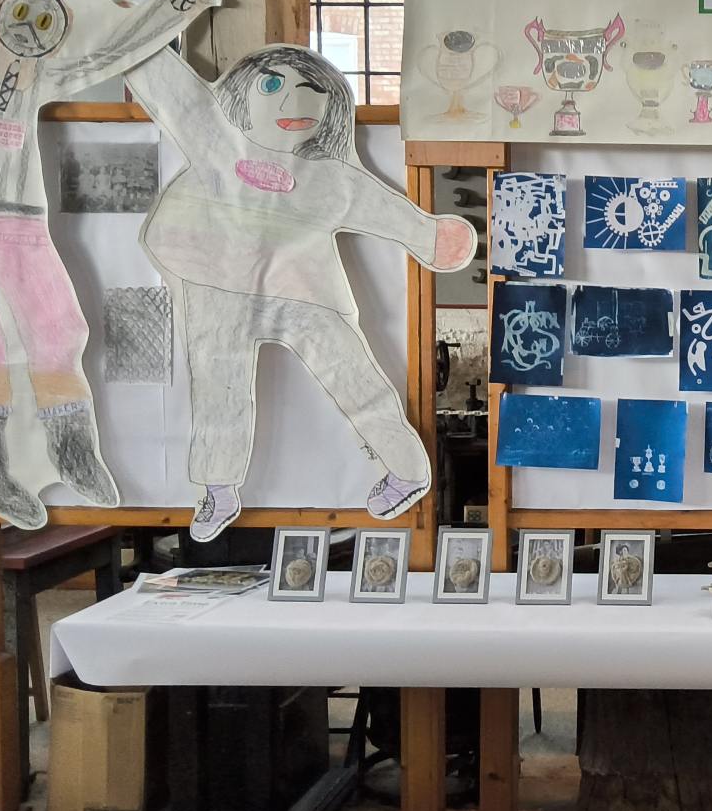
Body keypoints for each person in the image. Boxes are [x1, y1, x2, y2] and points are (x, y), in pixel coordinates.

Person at [0, 0, 223, 528]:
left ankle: (74, 454)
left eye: (44, 19)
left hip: (23, 221)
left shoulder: (43, 75)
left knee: (61, 330)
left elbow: (118, 48)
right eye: (20, 12)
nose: (28, 27)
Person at [125, 41, 475, 542]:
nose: (294, 104)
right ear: (245, 94)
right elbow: (179, 95)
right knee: (220, 389)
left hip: (305, 290)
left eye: (312, 91)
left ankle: (407, 467)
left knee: (356, 379)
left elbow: (376, 204)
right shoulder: (219, 145)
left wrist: (428, 235)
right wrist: (137, 41)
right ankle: (219, 485)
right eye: (274, 86)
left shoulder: (325, 176)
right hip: (218, 284)